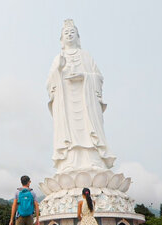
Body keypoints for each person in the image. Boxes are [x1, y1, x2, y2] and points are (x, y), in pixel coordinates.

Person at [46, 19, 116, 174]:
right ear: (61, 39)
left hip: (86, 99)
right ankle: (69, 162)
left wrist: (84, 76)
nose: (69, 35)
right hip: (66, 101)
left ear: (78, 36)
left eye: (72, 32)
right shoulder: (58, 58)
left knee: (88, 128)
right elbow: (50, 82)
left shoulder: (85, 56)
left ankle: (93, 160)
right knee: (69, 131)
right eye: (66, 33)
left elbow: (98, 77)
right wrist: (58, 69)